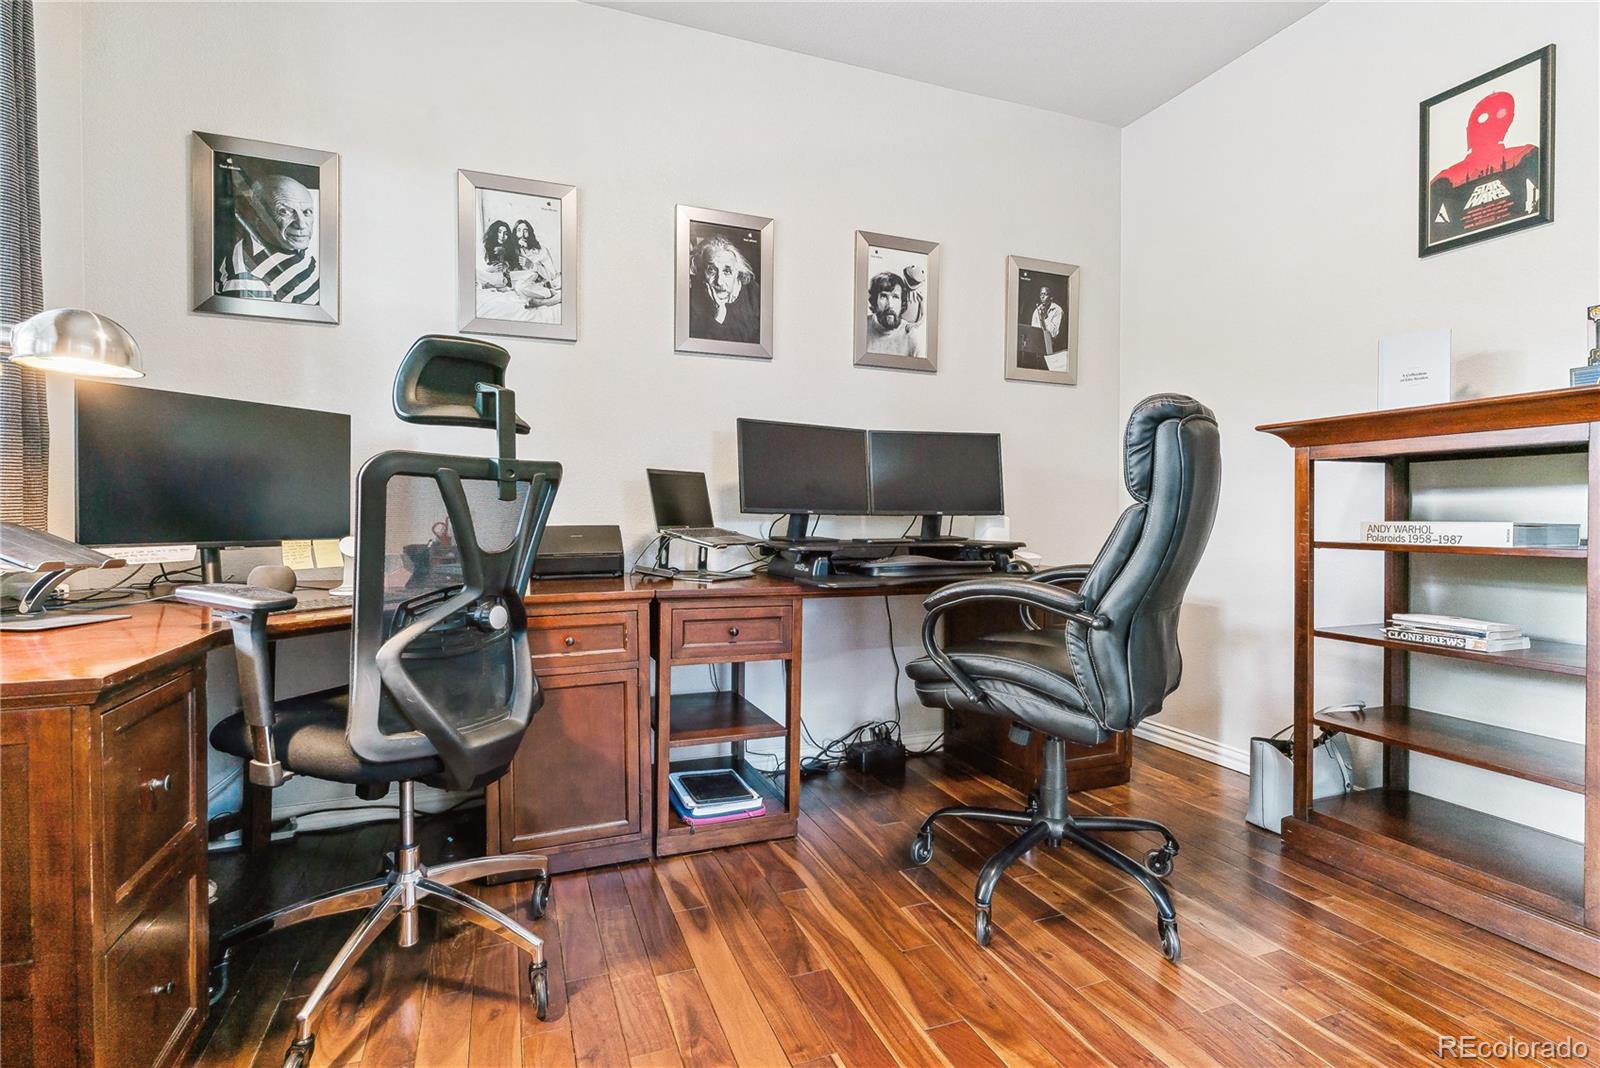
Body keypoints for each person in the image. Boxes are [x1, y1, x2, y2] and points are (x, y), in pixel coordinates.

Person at [1428, 89, 1541, 244]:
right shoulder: (1446, 178)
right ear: (1469, 128)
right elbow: (1433, 232)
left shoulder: (1524, 155)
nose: (1490, 123)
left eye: (1500, 115)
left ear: (1508, 121)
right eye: (1482, 118)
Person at [216, 172, 321, 304]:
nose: (301, 224)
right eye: (284, 212)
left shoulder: (287, 243)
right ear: (257, 215)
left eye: (306, 212)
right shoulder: (246, 279)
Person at [688, 234, 761, 343]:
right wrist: (719, 316)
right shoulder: (692, 299)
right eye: (711, 270)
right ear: (702, 271)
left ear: (737, 272)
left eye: (727, 271)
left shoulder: (754, 293)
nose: (719, 281)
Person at [864, 270, 921, 357]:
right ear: (874, 300)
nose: (890, 305)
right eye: (883, 296)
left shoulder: (911, 335)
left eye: (895, 297)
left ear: (902, 302)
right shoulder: (862, 328)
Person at [510, 219, 560, 309]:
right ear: (515, 234)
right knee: (519, 286)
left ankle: (548, 297)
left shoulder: (542, 250)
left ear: (530, 233)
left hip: (542, 284)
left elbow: (551, 275)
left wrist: (533, 266)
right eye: (519, 230)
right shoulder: (514, 251)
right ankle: (549, 299)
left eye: (526, 231)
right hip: (527, 285)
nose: (522, 234)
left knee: (521, 287)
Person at [477, 221, 516, 290]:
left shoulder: (508, 248)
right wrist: (490, 269)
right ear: (494, 233)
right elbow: (479, 268)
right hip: (488, 276)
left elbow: (513, 265)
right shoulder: (484, 247)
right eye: (499, 232)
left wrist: (507, 266)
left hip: (502, 278)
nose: (502, 236)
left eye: (506, 233)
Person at [1031, 285, 1065, 356]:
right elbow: (1034, 332)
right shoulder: (1037, 311)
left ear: (1051, 298)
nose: (1042, 297)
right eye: (1041, 294)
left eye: (1045, 294)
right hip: (1039, 347)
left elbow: (1054, 334)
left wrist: (1045, 318)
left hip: (1054, 348)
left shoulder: (1058, 310)